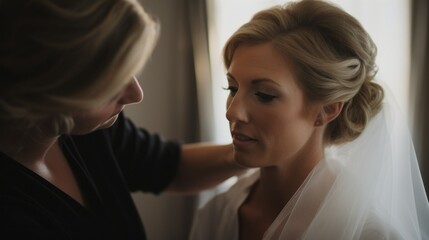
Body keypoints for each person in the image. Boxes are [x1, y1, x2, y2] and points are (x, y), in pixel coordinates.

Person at [0, 0, 244, 239]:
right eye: (114, 81)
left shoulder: (90, 128)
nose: (136, 94)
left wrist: (248, 152)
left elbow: (169, 167)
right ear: (55, 86)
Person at [190, 0, 429, 239]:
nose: (232, 112)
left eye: (264, 95)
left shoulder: (368, 233)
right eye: (232, 88)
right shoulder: (217, 213)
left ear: (327, 110)